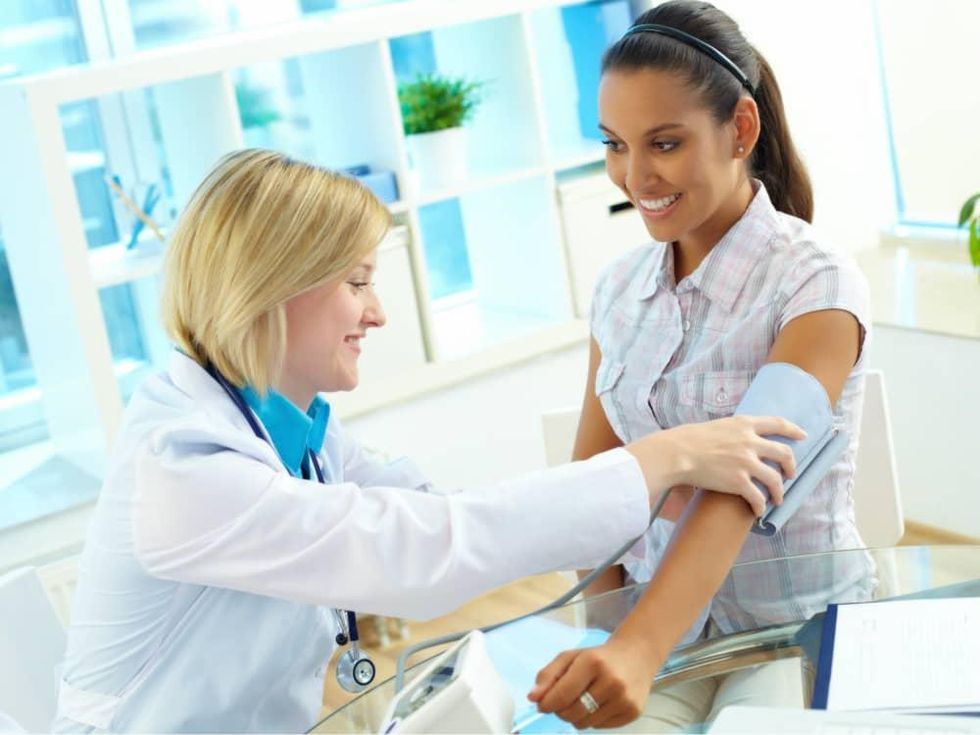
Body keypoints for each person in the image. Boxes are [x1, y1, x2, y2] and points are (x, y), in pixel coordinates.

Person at [52, 149, 803, 733]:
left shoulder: (293, 428)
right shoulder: (184, 467)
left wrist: (642, 487)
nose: (376, 314)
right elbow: (421, 550)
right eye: (357, 282)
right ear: (271, 288)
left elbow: (439, 511)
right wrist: (661, 457)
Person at [528, 1, 874, 730]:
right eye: (615, 144)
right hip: (666, 638)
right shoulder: (618, 292)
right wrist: (603, 643)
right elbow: (600, 487)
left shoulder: (816, 283)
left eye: (664, 143)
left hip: (797, 633)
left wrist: (634, 649)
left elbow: (742, 482)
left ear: (740, 128)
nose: (635, 174)